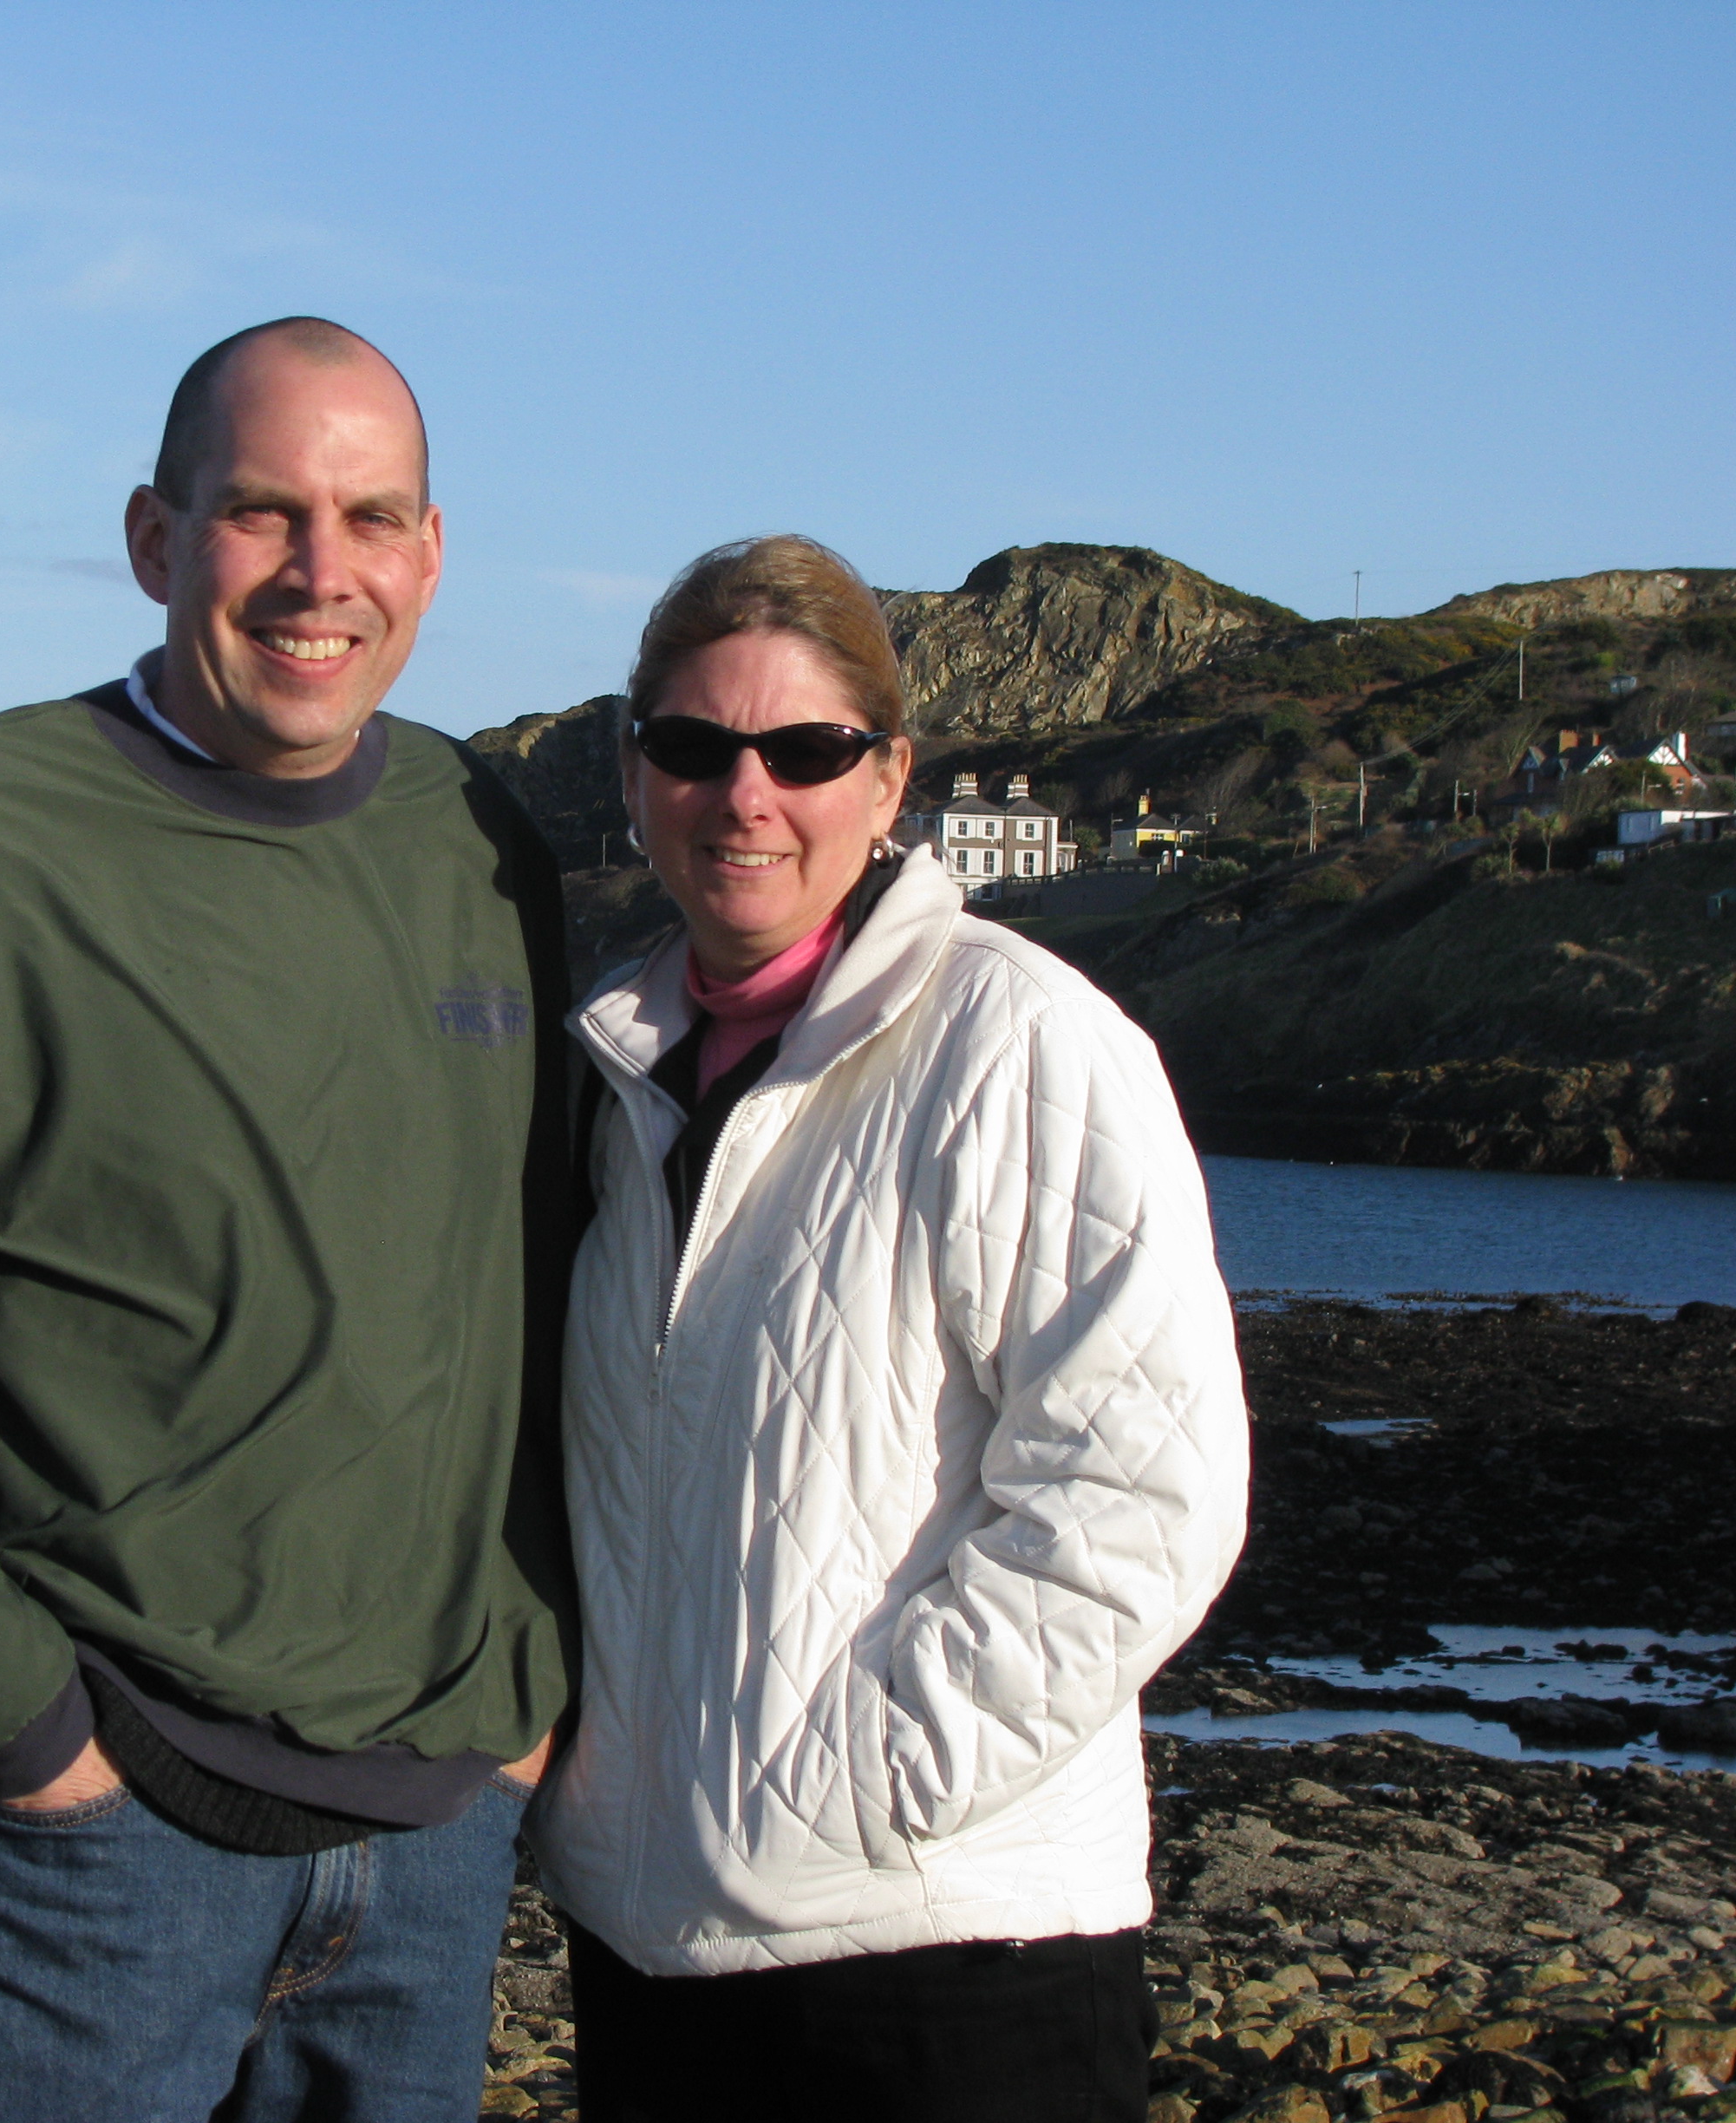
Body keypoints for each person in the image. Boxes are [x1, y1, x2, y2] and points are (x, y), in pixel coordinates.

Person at [0, 317, 573, 2123]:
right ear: (153, 538)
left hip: (434, 1868)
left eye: (373, 518)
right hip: (81, 1870)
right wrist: (16, 1725)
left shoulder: (482, 839)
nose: (322, 574)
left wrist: (524, 1702)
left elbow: (533, 1273)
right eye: (261, 513)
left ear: (433, 554)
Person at [525, 534, 1250, 2121]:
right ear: (636, 775)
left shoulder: (1023, 1041)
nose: (747, 795)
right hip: (652, 1951)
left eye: (804, 750)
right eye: (694, 748)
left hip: (946, 1957)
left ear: (889, 778)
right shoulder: (610, 1079)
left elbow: (1141, 1499)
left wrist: (866, 1784)